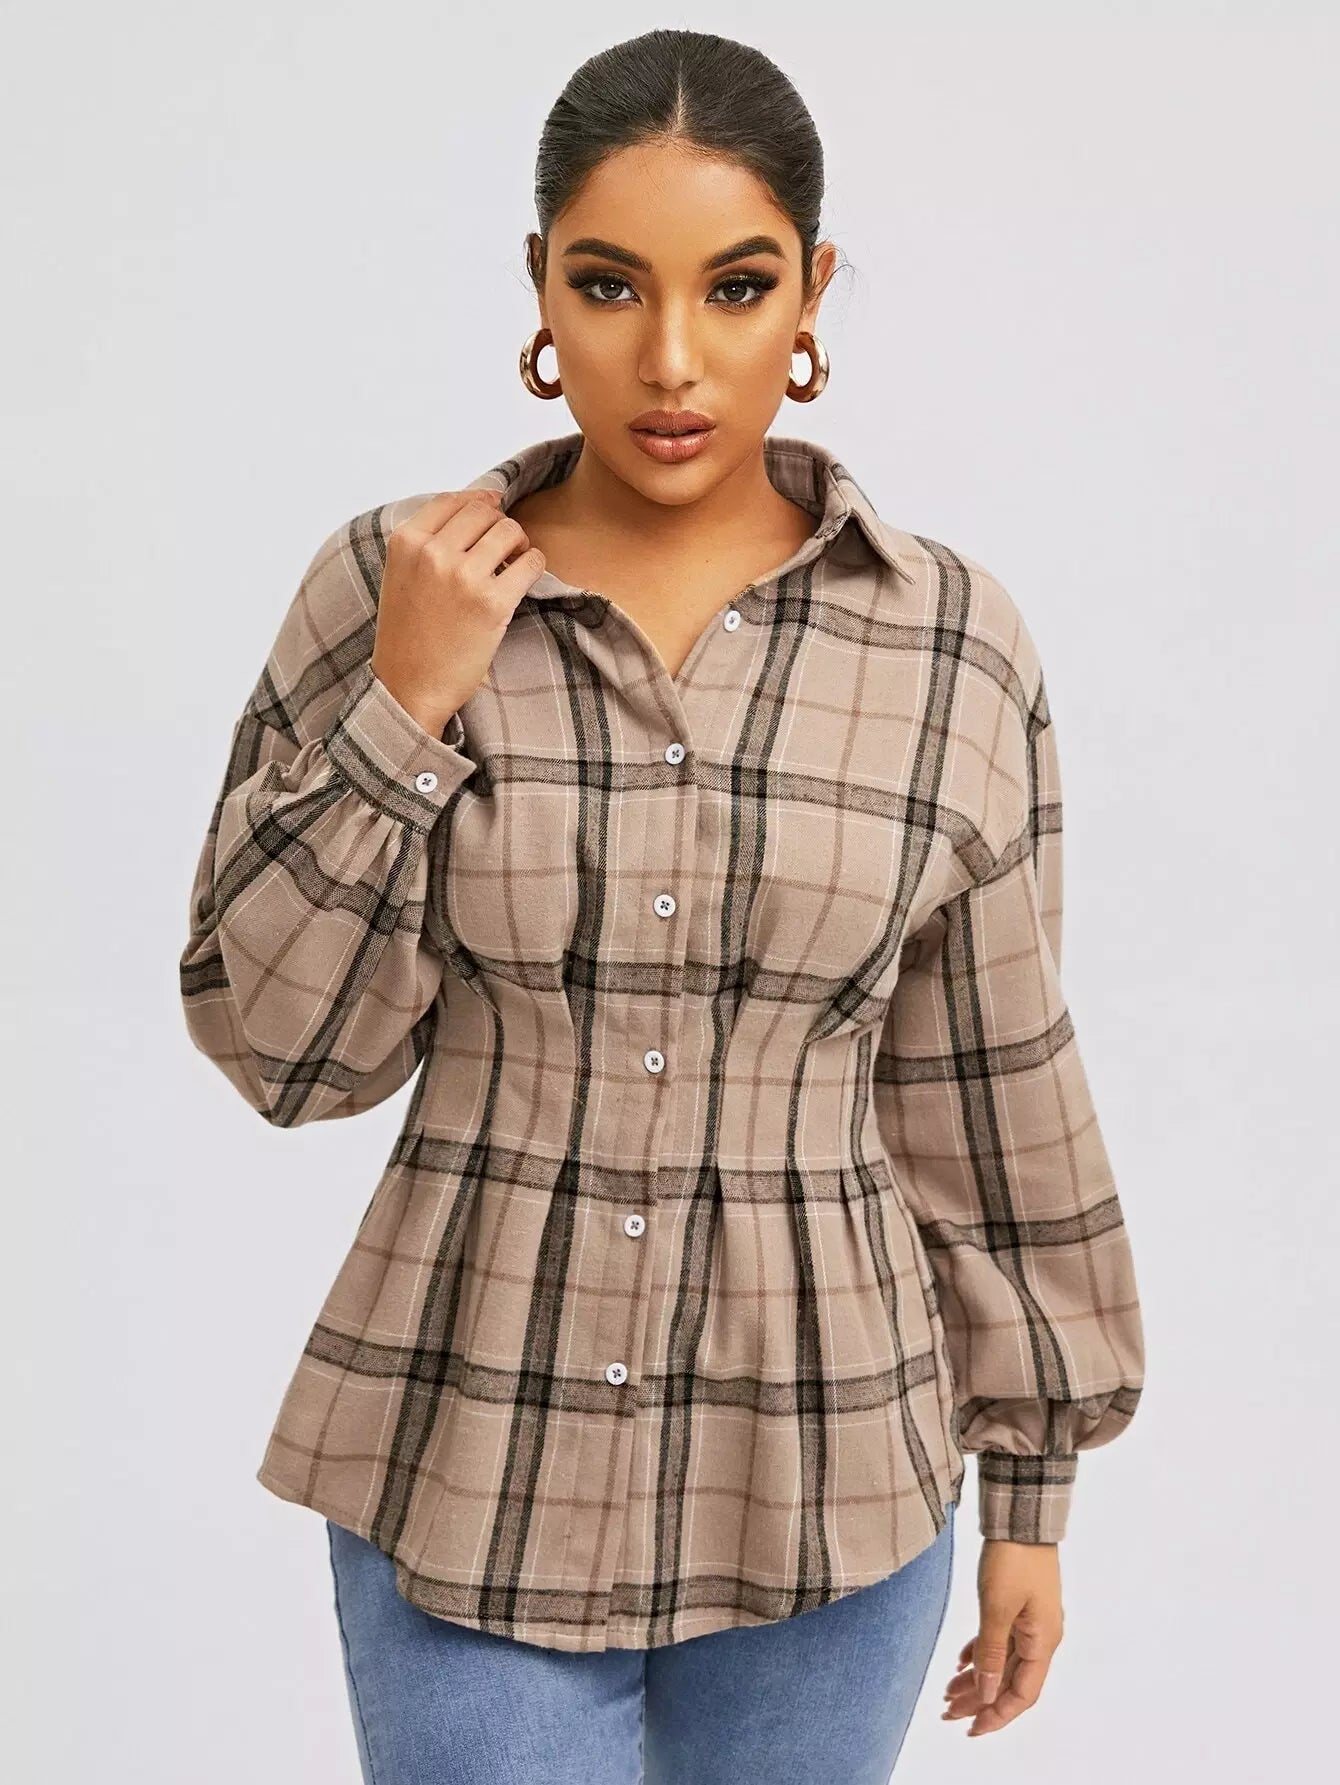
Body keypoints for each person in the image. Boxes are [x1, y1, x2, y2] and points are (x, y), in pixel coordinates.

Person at [178, 26, 1145, 1784]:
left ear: (815, 294)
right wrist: (406, 708)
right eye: (611, 284)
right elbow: (285, 1053)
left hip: (837, 1482)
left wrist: (1034, 1494)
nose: (673, 358)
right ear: (540, 287)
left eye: (738, 286)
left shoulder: (954, 644)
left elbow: (990, 1090)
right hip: (466, 1460)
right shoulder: (393, 587)